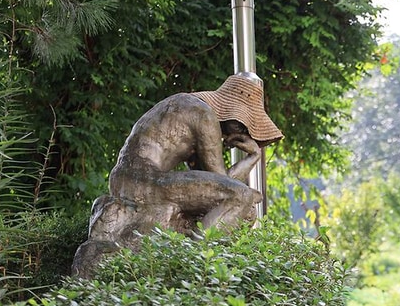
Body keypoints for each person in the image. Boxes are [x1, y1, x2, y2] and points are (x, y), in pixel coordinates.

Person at [108, 72, 282, 228]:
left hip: (124, 180)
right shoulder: (204, 116)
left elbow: (216, 185)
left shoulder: (188, 106)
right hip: (144, 182)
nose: (243, 134)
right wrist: (252, 159)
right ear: (231, 112)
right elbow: (225, 186)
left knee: (238, 196)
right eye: (242, 127)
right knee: (241, 196)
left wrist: (253, 156)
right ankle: (200, 255)